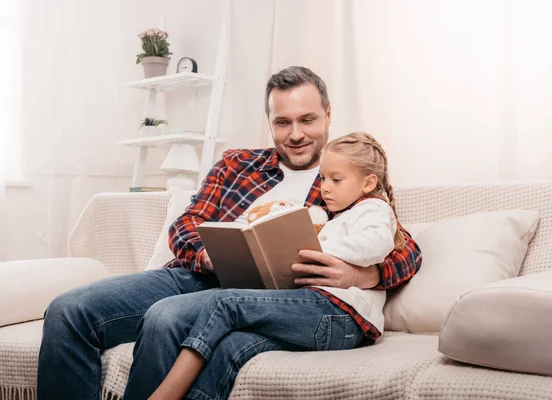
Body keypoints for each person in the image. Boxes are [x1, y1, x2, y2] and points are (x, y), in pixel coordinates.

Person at [37, 66, 422, 400]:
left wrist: (365, 275)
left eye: (308, 120)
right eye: (282, 122)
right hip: (195, 275)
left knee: (166, 318)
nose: (296, 134)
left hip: (256, 296)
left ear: (328, 116)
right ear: (269, 121)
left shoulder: (344, 181)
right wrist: (211, 254)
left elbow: (405, 247)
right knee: (67, 311)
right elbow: (186, 225)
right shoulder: (237, 164)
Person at [148, 132, 409, 400]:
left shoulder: (374, 209)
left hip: (342, 316)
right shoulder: (341, 215)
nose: (325, 187)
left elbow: (376, 244)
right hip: (323, 313)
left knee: (224, 303)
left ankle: (166, 394)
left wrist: (309, 250)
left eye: (336, 180)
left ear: (369, 183)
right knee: (231, 345)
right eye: (322, 178)